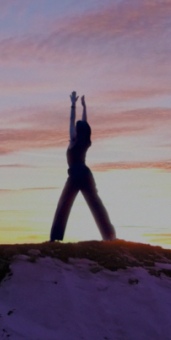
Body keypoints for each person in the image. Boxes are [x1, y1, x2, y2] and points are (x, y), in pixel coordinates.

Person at [49, 91, 117, 242]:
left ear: (77, 131)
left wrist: (73, 105)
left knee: (64, 203)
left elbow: (72, 120)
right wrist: (84, 107)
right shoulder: (85, 141)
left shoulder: (73, 140)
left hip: (75, 174)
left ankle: (55, 239)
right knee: (96, 203)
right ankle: (109, 236)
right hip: (86, 173)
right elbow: (84, 123)